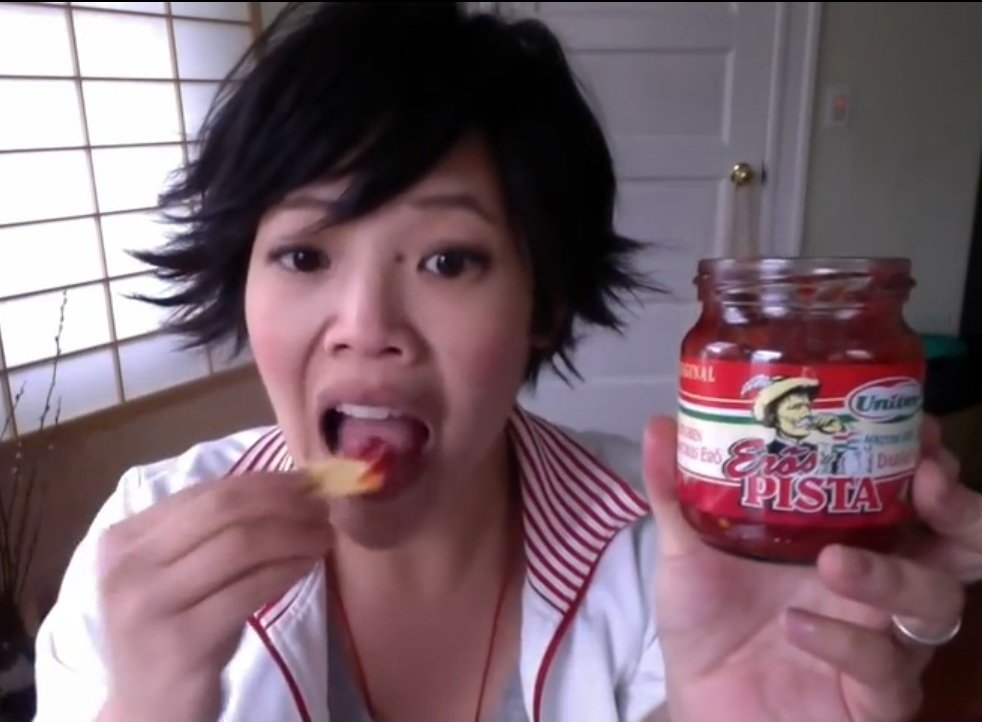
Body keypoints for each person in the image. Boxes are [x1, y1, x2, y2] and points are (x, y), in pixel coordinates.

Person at [32, 3, 982, 722]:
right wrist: (147, 705)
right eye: (304, 256)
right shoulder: (142, 550)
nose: (365, 326)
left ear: (546, 302)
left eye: (448, 260)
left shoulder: (678, 559)